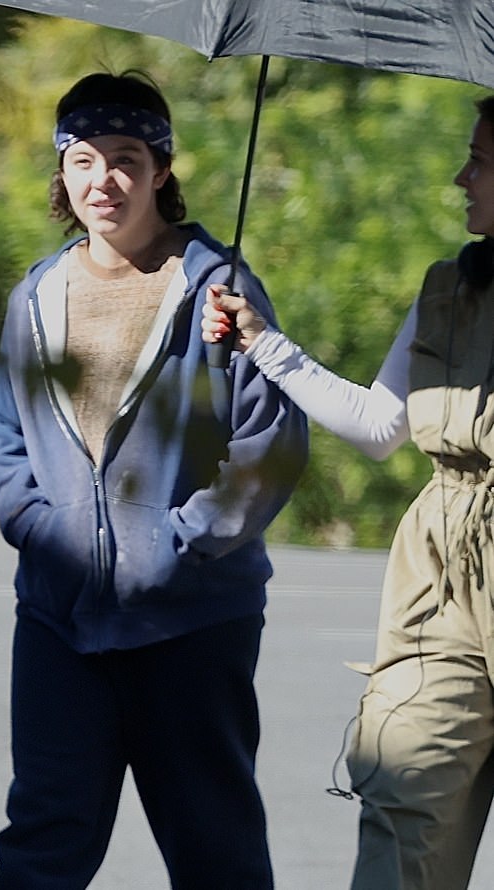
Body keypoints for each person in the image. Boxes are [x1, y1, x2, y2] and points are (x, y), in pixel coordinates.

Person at [0, 69, 308, 890]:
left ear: (162, 169)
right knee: (42, 842)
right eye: (84, 159)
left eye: (126, 157)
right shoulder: (37, 295)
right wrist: (44, 532)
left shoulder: (218, 290)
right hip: (59, 619)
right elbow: (4, 432)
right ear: (62, 173)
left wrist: (177, 544)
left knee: (214, 848)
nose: (105, 181)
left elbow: (271, 443)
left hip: (192, 623)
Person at [202, 95, 494, 890]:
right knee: (402, 796)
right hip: (440, 576)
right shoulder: (449, 288)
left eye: (482, 160)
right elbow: (377, 425)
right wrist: (262, 341)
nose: (461, 176)